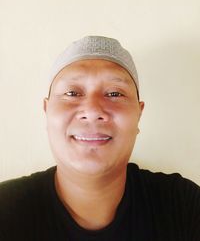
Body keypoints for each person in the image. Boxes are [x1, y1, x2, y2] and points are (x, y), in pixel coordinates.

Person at [0, 36, 199, 241]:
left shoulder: (182, 205)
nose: (93, 110)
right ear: (47, 110)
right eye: (72, 92)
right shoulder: (6, 210)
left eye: (114, 93)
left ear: (139, 114)